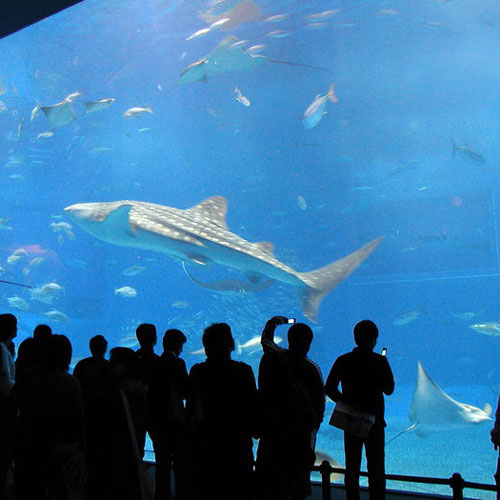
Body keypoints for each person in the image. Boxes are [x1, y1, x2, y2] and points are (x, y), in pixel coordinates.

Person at [256, 316, 325, 500]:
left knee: (269, 488)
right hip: (299, 441)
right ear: (309, 343)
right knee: (295, 489)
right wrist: (310, 448)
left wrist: (275, 322)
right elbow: (317, 415)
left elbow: (266, 340)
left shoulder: (274, 357)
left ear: (289, 340)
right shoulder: (312, 369)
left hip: (271, 437)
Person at [10, 334, 86, 500]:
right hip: (58, 447)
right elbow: (78, 417)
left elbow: (12, 407)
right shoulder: (70, 382)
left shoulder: (28, 376)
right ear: (67, 355)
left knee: (27, 489)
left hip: (28, 443)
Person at [325, 320, 394, 500]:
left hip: (351, 418)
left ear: (355, 338)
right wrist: (382, 365)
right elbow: (389, 389)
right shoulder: (380, 361)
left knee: (352, 466)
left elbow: (329, 388)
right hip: (375, 421)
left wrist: (347, 404)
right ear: (374, 340)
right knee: (377, 468)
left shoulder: (343, 360)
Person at [187, 323, 257, 500]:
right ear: (231, 344)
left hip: (206, 445)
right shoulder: (243, 371)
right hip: (237, 446)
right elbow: (252, 407)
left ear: (206, 346)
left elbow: (191, 409)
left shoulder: (197, 372)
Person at [148, 329, 190, 500]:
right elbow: (185, 390)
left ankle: (161, 495)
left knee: (162, 463)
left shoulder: (154, 363)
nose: (181, 350)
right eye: (181, 346)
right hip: (175, 422)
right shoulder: (177, 363)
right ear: (178, 345)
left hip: (157, 422)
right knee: (180, 464)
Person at [73, 335, 110, 500]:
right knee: (102, 454)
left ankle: (83, 486)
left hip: (84, 415)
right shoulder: (108, 367)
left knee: (85, 452)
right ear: (105, 348)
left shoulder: (81, 365)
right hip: (103, 418)